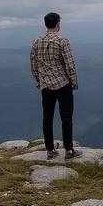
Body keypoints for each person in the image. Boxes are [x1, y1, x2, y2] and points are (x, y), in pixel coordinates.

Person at [29, 11, 79, 160]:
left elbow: (33, 64)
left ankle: (50, 150)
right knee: (66, 118)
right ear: (58, 23)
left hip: (45, 86)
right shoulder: (62, 40)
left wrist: (39, 81)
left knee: (47, 117)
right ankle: (69, 151)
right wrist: (74, 82)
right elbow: (70, 64)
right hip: (63, 84)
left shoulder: (37, 41)